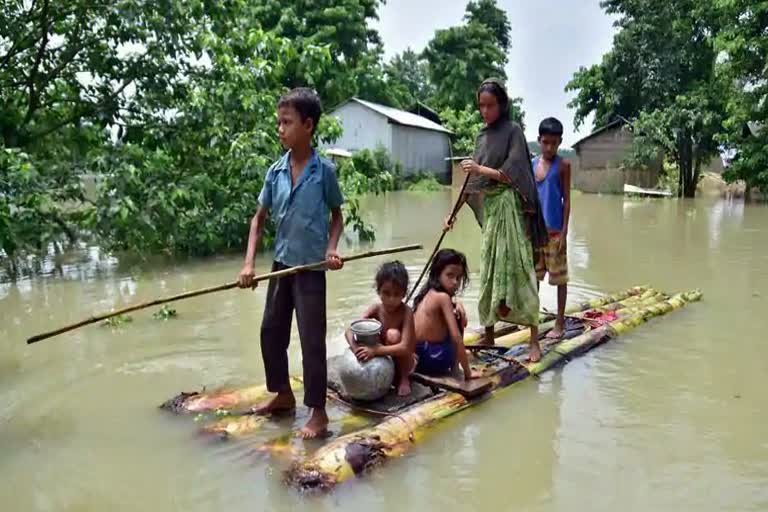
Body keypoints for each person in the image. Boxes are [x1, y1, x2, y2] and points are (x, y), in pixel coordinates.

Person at [237, 87, 344, 439]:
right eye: (279, 122)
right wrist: (249, 265)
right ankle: (282, 394)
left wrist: (331, 249)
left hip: (311, 270)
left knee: (312, 341)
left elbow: (337, 217)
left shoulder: (323, 172)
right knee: (271, 332)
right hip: (281, 267)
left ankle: (319, 412)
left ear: (308, 125)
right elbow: (258, 219)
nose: (280, 129)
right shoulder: (275, 171)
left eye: (287, 122)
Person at [444, 78, 548, 362]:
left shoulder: (513, 131)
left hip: (510, 210)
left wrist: (480, 168)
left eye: (490, 105)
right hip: (491, 213)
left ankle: (534, 339)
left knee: (521, 269)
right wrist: (451, 214)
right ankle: (489, 332)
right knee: (489, 269)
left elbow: (512, 173)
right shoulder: (481, 136)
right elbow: (471, 182)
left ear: (502, 105)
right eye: (481, 106)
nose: (485, 111)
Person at [345, 261, 417, 396]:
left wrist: (375, 350)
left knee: (393, 335)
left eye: (396, 294)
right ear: (378, 290)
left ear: (404, 294)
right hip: (384, 358)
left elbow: (406, 347)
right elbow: (350, 330)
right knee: (366, 335)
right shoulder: (376, 309)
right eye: (386, 293)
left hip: (405, 362)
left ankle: (404, 378)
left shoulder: (406, 312)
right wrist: (356, 349)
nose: (391, 299)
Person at [412, 249, 482, 380]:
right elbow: (456, 337)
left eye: (459, 277)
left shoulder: (427, 292)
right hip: (432, 359)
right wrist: (468, 372)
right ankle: (456, 368)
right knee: (458, 318)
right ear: (438, 274)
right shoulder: (443, 298)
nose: (455, 282)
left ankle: (455, 365)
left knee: (456, 312)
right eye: (450, 275)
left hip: (417, 356)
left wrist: (456, 303)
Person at [533, 117, 571, 338]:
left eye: (554, 143)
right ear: (539, 140)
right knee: (534, 280)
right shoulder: (532, 165)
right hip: (535, 234)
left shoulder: (564, 165)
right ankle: (533, 323)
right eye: (545, 142)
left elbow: (567, 200)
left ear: (559, 142)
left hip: (555, 233)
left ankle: (559, 323)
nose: (549, 147)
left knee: (559, 280)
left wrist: (565, 233)